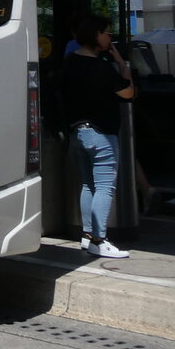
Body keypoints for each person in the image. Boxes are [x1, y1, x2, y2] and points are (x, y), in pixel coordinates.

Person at [58, 13, 136, 259]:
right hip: (101, 134)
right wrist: (122, 66)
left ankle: (87, 235)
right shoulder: (102, 67)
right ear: (96, 35)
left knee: (87, 185)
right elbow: (128, 94)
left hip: (77, 133)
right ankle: (100, 240)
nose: (109, 37)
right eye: (106, 33)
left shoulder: (70, 61)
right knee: (104, 187)